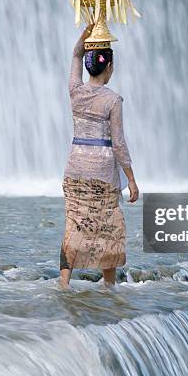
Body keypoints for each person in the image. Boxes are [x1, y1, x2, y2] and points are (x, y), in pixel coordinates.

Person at [59, 26, 139, 288]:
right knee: (108, 226)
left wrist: (84, 37)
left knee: (74, 223)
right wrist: (131, 180)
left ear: (88, 65)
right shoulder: (113, 100)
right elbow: (118, 144)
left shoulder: (75, 90)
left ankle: (63, 282)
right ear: (110, 67)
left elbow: (74, 57)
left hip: (75, 168)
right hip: (103, 172)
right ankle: (109, 287)